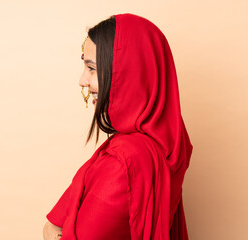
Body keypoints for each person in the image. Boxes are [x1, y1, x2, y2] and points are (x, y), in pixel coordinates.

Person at [43, 13, 193, 240]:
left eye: (92, 68)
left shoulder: (123, 161)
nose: (83, 80)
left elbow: (55, 229)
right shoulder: (170, 144)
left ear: (127, 72)